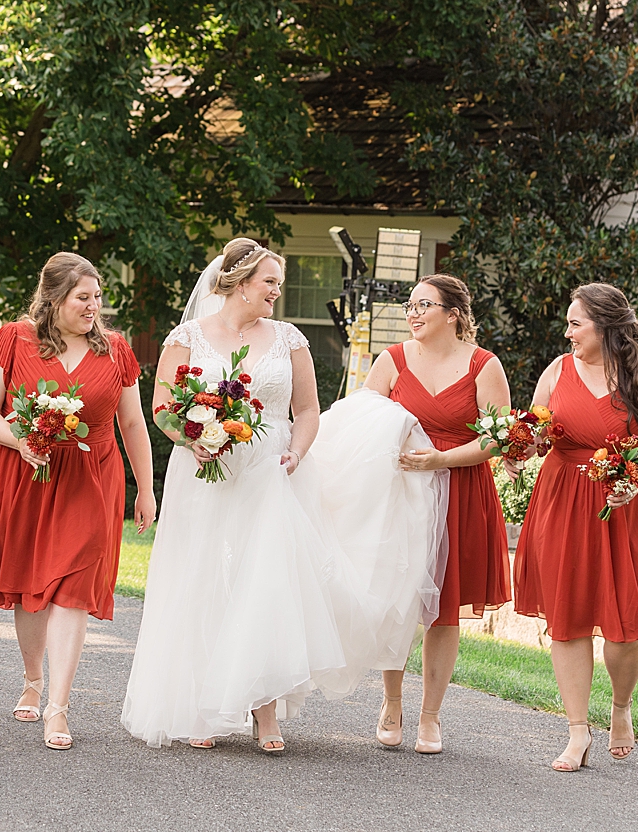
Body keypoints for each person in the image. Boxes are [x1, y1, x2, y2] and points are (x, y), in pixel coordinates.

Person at [121, 239, 447, 752]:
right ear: (240, 283)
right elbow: (163, 406)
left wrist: (295, 453)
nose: (278, 290)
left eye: (277, 282)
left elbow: (309, 410)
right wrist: (193, 437)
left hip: (272, 470)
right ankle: (204, 707)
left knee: (265, 580)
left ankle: (264, 708)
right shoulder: (187, 337)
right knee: (203, 576)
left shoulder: (289, 339)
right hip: (205, 469)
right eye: (270, 282)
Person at [0, 252, 154, 750]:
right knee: (33, 584)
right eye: (83, 297)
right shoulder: (14, 339)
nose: (93, 307)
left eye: (98, 297)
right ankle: (33, 678)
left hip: (91, 478)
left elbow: (132, 424)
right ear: (54, 298)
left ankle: (57, 707)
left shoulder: (117, 349)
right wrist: (21, 440)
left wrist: (145, 488)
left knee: (73, 587)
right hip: (28, 475)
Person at [511, 282, 638, 771]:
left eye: (576, 324)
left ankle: (620, 706)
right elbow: (539, 433)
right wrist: (519, 450)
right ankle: (576, 732)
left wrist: (637, 480)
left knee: (626, 630)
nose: (567, 332)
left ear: (606, 327)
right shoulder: (558, 370)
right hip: (562, 504)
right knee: (566, 618)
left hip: (628, 509)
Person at [363, 274, 513, 754]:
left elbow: (496, 438)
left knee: (443, 612)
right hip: (401, 492)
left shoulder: (484, 366)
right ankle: (391, 703)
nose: (413, 313)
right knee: (396, 600)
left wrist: (443, 459)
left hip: (462, 491)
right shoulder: (392, 360)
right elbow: (364, 424)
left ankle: (430, 716)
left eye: (424, 304)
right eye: (410, 305)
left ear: (453, 314)